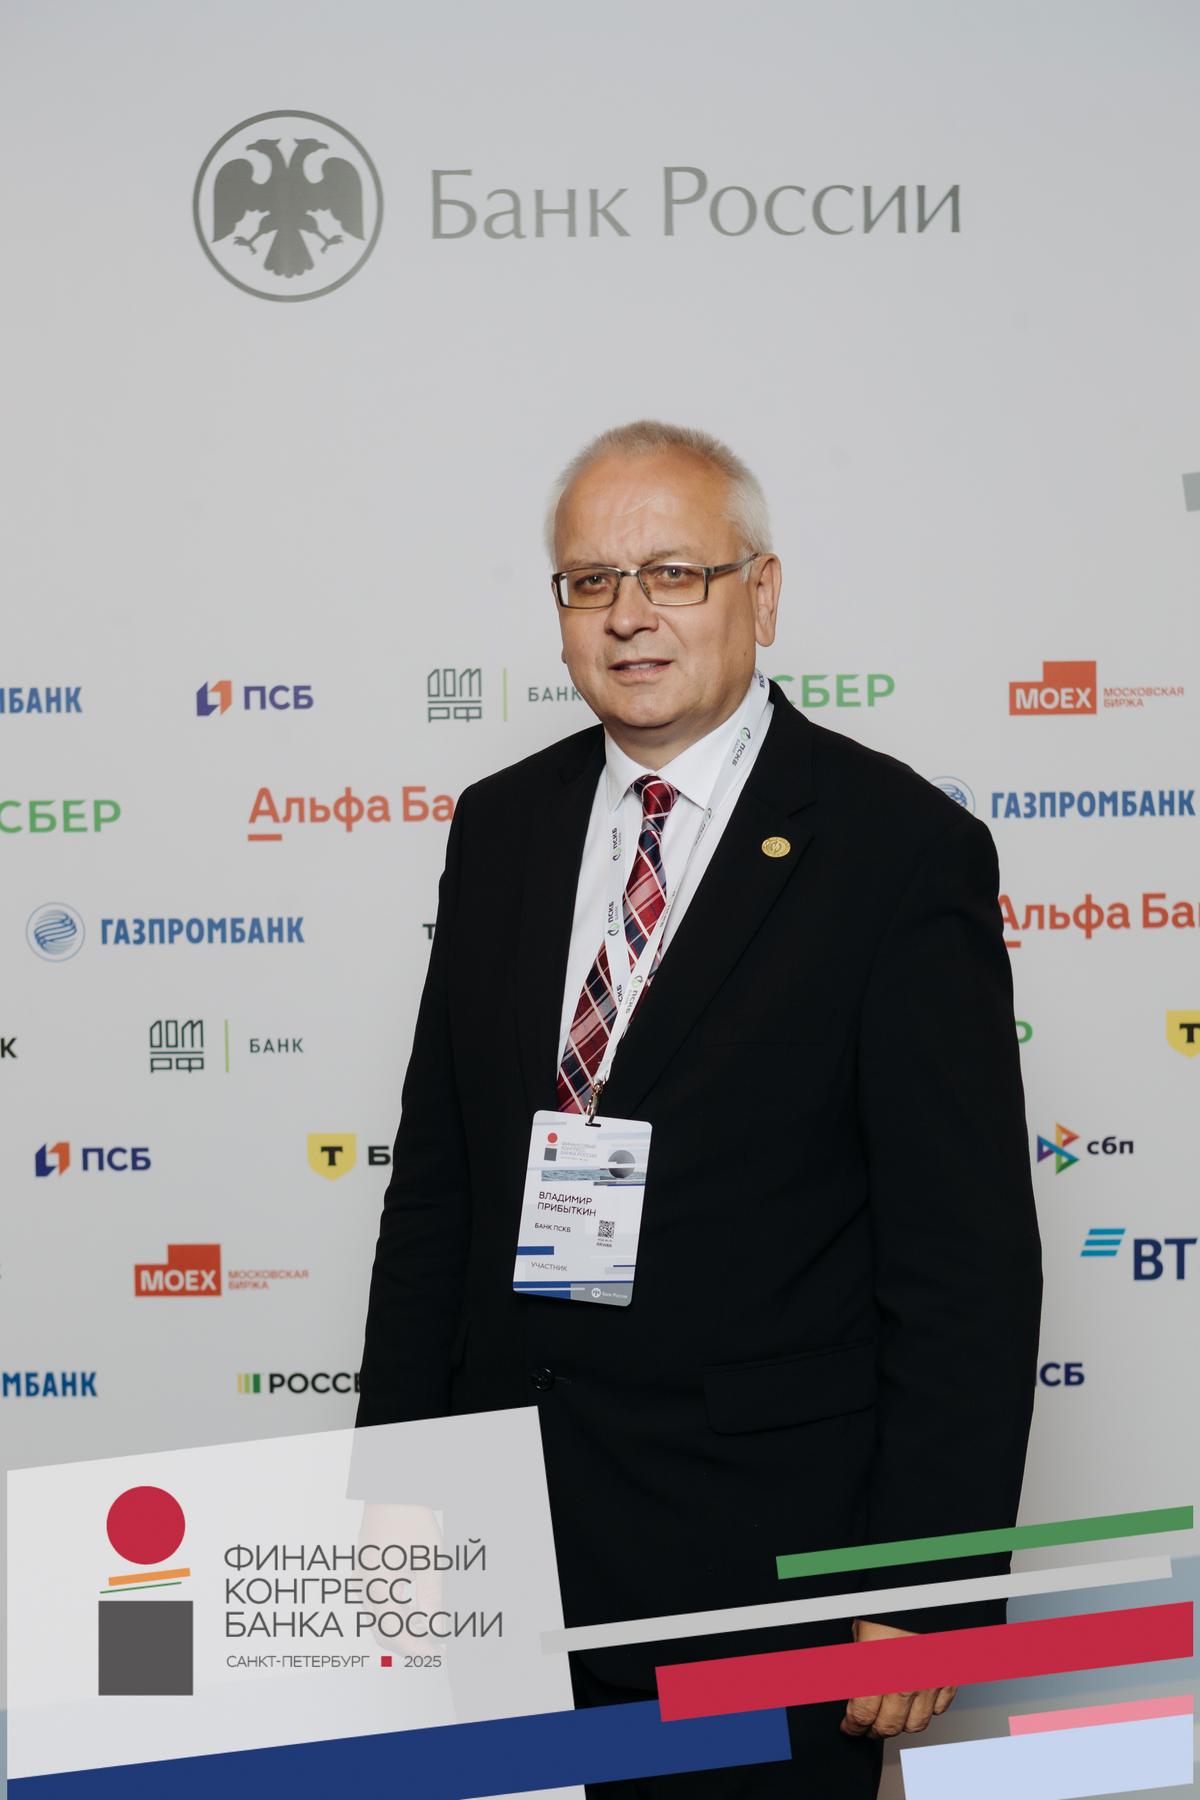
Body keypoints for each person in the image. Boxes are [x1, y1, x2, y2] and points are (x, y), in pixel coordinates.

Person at [356, 420, 1042, 1796]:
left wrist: (926, 1584)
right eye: (589, 581)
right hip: (500, 1559)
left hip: (763, 1578)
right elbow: (437, 1189)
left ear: (762, 594)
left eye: (674, 573)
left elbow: (964, 1262)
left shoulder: (897, 850)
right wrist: (395, 1495)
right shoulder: (501, 825)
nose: (629, 615)